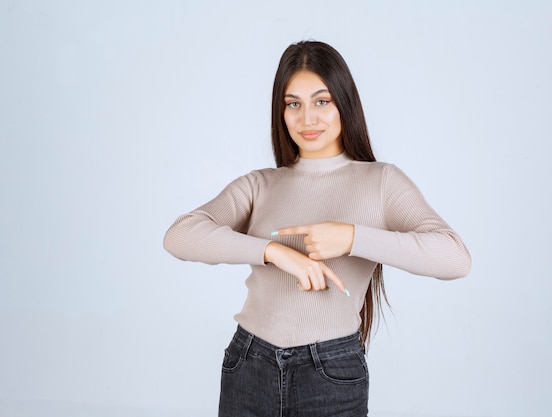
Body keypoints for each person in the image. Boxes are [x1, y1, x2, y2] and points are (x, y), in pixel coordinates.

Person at [163, 40, 471, 417]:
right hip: (249, 364)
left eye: (321, 101)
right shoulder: (261, 184)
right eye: (294, 104)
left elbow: (455, 258)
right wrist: (273, 253)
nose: (307, 119)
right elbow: (180, 235)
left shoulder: (382, 182)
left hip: (330, 373)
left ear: (344, 102)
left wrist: (352, 237)